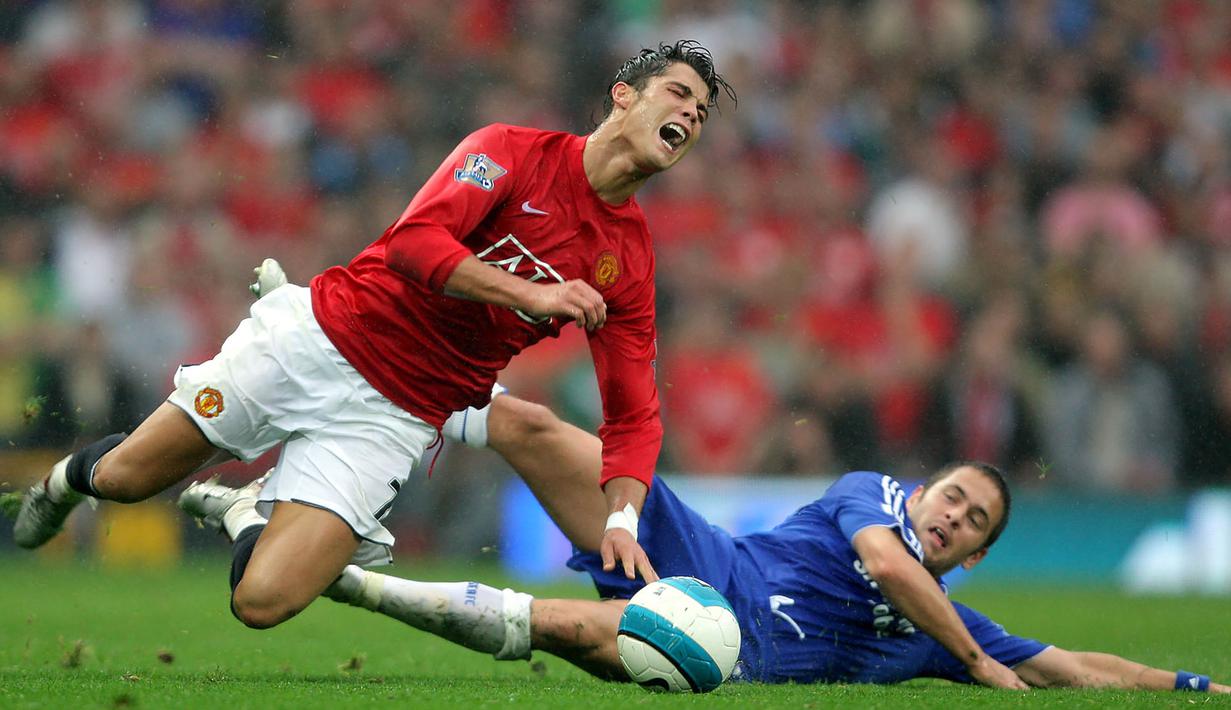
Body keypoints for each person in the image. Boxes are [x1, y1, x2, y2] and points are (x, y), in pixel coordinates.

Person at [10, 40, 734, 631]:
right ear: (623, 95)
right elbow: (414, 244)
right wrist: (531, 292)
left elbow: (633, 411)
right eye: (677, 94)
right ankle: (68, 481)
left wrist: (622, 516)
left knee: (261, 603)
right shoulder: (508, 152)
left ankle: (245, 510)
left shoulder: (628, 262)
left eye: (700, 114)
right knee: (128, 480)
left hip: (395, 416)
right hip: (320, 339)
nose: (689, 116)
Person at [189, 391, 1225, 692]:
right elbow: (885, 563)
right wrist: (968, 659)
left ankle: (353, 582)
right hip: (706, 549)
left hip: (723, 633)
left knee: (584, 629)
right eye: (954, 496)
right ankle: (365, 405)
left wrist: (1187, 686)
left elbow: (1078, 665)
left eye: (973, 523)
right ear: (926, 486)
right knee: (543, 429)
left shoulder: (944, 623)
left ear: (979, 553)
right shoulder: (870, 498)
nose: (953, 515)